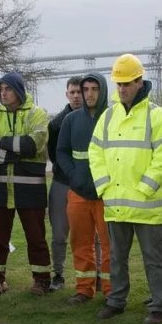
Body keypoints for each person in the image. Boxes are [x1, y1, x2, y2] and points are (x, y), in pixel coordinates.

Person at [88, 54, 162, 324]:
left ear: (140, 82)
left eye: (127, 83)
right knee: (117, 257)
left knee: (154, 258)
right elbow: (95, 151)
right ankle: (116, 301)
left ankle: (159, 306)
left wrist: (146, 187)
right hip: (116, 201)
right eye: (119, 84)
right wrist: (103, 185)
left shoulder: (156, 115)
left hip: (146, 204)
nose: (122, 88)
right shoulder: (109, 115)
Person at [0, 72, 52, 295]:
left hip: (31, 189)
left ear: (18, 90)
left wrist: (3, 143)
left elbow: (34, 145)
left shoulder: (38, 113)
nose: (3, 93)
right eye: (1, 89)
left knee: (36, 237)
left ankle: (41, 280)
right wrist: (13, 153)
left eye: (8, 89)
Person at [56, 72, 112, 305]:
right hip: (78, 192)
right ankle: (84, 289)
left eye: (94, 89)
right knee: (80, 242)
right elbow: (62, 152)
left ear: (103, 91)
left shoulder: (113, 118)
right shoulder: (71, 120)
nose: (89, 94)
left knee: (111, 246)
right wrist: (73, 176)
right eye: (85, 89)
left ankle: (111, 291)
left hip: (107, 193)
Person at [47, 77, 84, 292]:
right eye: (73, 92)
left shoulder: (96, 119)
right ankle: (58, 274)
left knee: (92, 234)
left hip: (88, 185)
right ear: (67, 94)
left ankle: (97, 275)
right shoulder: (56, 123)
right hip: (62, 182)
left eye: (81, 91)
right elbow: (54, 154)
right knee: (59, 232)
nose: (78, 95)